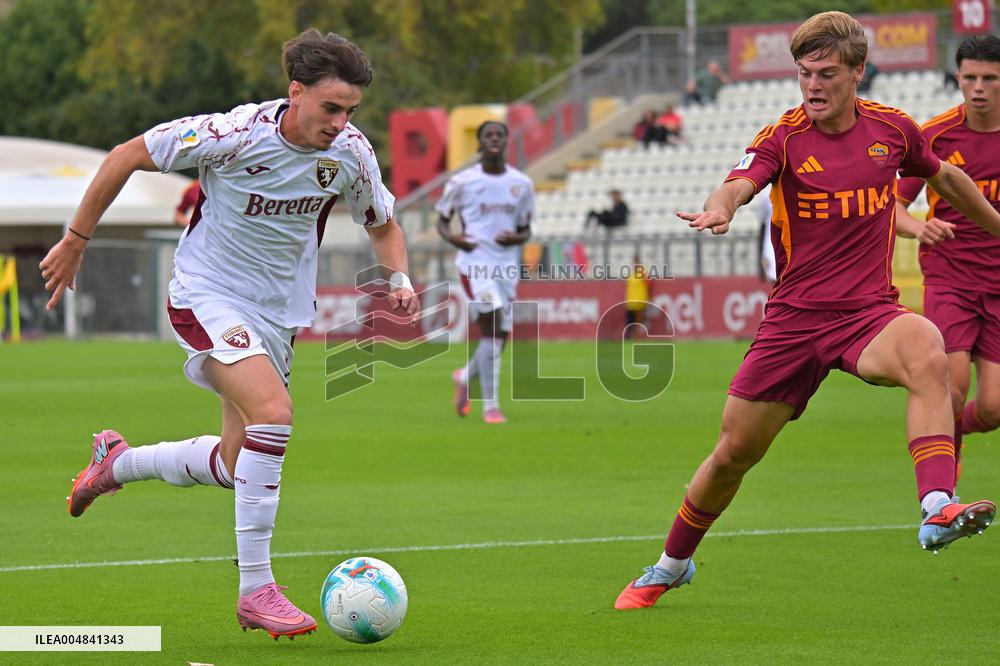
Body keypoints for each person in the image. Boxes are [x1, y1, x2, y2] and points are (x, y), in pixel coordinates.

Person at [614, 11, 1000, 611]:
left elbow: (946, 178)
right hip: (793, 323)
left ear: (857, 72)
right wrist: (722, 207)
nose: (812, 86)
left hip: (868, 315)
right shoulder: (785, 136)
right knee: (733, 455)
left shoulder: (892, 130)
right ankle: (672, 564)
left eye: (825, 73)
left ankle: (936, 506)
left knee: (925, 345)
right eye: (803, 74)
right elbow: (739, 182)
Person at [39, 29, 418, 639]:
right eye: (331, 108)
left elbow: (383, 223)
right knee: (275, 412)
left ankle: (118, 464)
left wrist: (398, 274)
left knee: (238, 461)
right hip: (205, 293)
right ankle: (256, 588)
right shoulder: (230, 135)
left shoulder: (350, 153)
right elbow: (124, 156)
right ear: (296, 93)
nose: (341, 122)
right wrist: (75, 241)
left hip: (278, 314)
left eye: (351, 111)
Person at [895, 35, 1000, 485]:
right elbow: (890, 207)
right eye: (970, 77)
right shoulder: (934, 135)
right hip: (949, 277)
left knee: (993, 409)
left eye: (990, 79)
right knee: (952, 388)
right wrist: (919, 227)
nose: (978, 87)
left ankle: (950, 432)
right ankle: (942, 492)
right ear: (957, 78)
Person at [436, 120, 534, 424]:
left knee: (499, 339)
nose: (495, 139)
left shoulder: (521, 184)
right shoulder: (462, 182)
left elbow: (525, 228)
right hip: (475, 266)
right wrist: (454, 238)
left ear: (506, 141)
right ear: (479, 143)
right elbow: (441, 218)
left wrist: (517, 239)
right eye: (489, 135)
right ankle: (491, 407)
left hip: (507, 268)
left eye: (500, 135)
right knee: (491, 328)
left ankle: (465, 376)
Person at [624, 255, 650, 339]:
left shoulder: (643, 274)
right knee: (630, 322)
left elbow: (648, 285)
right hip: (631, 302)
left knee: (640, 321)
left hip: (640, 302)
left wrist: (648, 298)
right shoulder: (631, 275)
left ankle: (639, 336)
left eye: (637, 262)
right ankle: (630, 336)